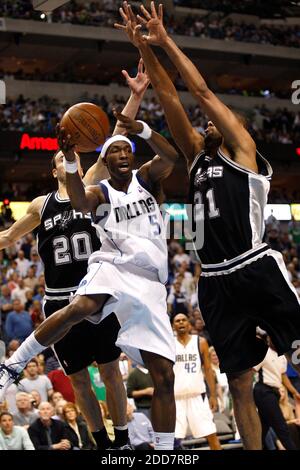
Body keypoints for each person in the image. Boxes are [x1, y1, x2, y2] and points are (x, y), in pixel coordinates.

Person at [116, 1, 300, 449]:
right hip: (215, 281)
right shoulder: (197, 157)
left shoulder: (243, 150)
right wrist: (143, 47)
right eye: (204, 126)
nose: (206, 123)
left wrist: (165, 40)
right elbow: (169, 95)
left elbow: (200, 93)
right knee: (238, 381)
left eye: (217, 119)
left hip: (255, 266)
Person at [0, 109, 179, 450]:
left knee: (122, 371)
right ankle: (14, 367)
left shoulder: (126, 178)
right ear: (57, 169)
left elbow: (114, 140)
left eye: (124, 149)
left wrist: (134, 109)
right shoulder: (47, 203)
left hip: (144, 281)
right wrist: (69, 155)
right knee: (80, 371)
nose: (120, 154)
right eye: (66, 161)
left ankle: (131, 443)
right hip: (89, 281)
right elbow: (9, 236)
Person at [172, 313, 221, 450]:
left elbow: (209, 371)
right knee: (171, 439)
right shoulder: (169, 344)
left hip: (197, 395)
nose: (181, 323)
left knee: (211, 435)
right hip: (175, 397)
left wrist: (213, 395)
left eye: (183, 320)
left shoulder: (201, 342)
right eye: (177, 321)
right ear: (173, 326)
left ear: (189, 324)